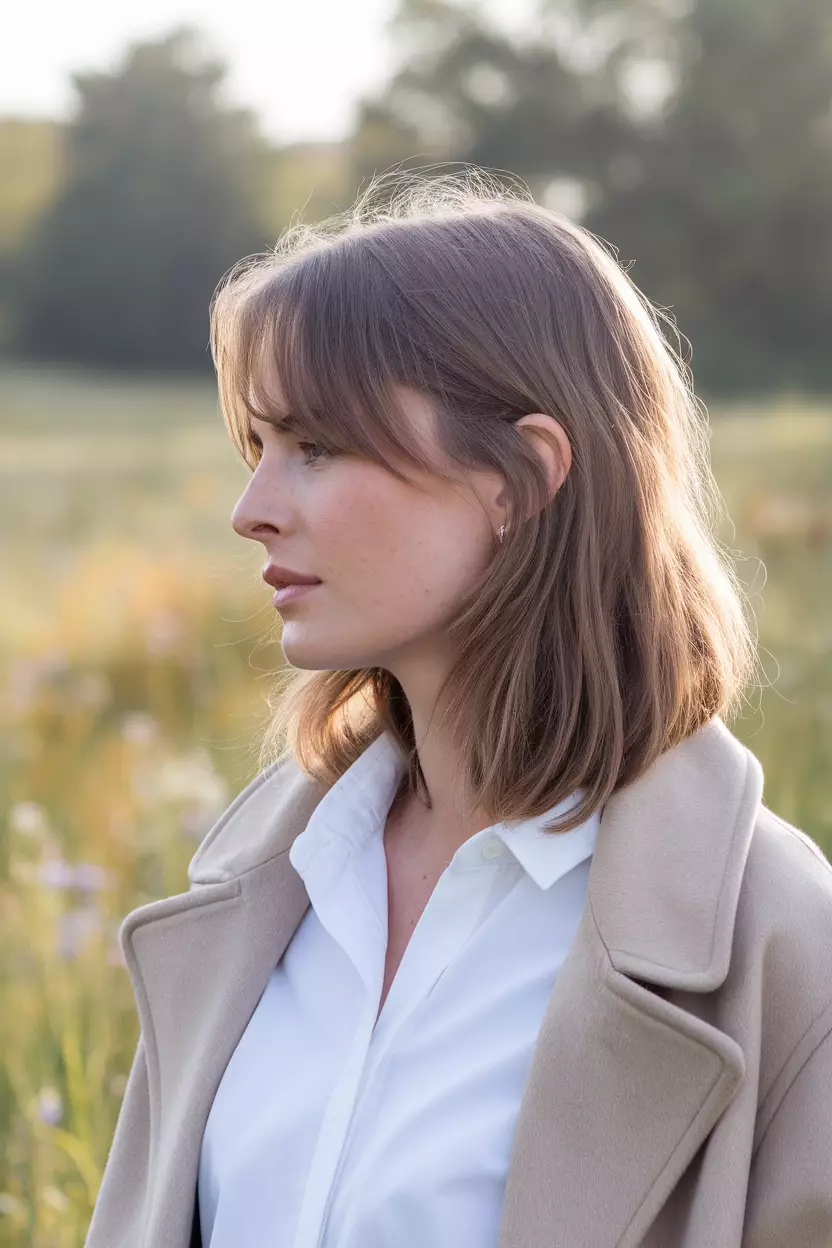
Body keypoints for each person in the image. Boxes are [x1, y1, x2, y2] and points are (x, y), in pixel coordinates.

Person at [84, 170, 832, 1248]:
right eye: (258, 451)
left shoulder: (783, 948)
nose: (251, 512)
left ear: (520, 477)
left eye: (316, 447)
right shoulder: (262, 890)